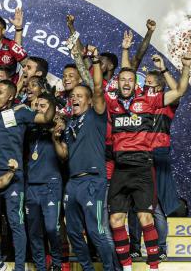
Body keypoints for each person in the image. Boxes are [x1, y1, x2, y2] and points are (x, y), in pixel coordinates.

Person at [105, 53, 191, 271]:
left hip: (145, 165)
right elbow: (107, 81)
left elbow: (180, 91)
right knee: (116, 219)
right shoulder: (112, 102)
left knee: (147, 215)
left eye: (131, 80)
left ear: (139, 85)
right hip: (120, 169)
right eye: (122, 80)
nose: (126, 83)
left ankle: (154, 265)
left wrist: (186, 66)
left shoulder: (149, 101)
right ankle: (126, 267)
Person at [0, 72, 55, 271]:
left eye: (0, 92)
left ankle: (19, 267)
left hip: (13, 176)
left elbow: (45, 117)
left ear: (10, 96)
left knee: (15, 223)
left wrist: (50, 100)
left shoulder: (21, 111)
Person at [52, 45, 115, 271]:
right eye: (73, 96)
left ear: (89, 101)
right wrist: (55, 138)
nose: (75, 98)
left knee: (97, 232)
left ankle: (110, 269)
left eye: (80, 96)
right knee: (72, 232)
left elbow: (98, 88)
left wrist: (96, 60)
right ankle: (88, 269)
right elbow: (64, 155)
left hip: (93, 181)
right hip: (73, 183)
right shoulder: (69, 125)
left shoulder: (96, 115)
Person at [25, 93, 64, 271]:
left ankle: (56, 263)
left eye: (43, 105)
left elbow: (64, 155)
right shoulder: (29, 128)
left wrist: (56, 127)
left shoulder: (58, 127)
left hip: (51, 184)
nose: (38, 108)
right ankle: (41, 267)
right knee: (34, 232)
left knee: (51, 228)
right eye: (36, 105)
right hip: (31, 185)